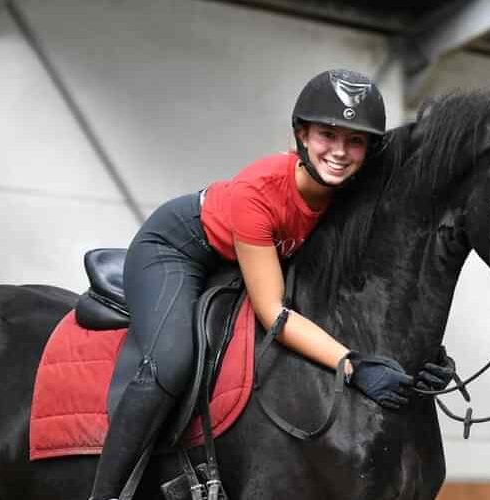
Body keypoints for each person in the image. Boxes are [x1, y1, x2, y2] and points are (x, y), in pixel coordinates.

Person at [88, 69, 455, 500]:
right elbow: (273, 313)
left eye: (355, 141)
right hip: (178, 247)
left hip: (257, 256)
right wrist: (354, 366)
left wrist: (424, 358)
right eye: (327, 135)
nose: (339, 152)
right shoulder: (258, 191)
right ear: (300, 134)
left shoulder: (351, 195)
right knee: (170, 361)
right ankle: (107, 493)